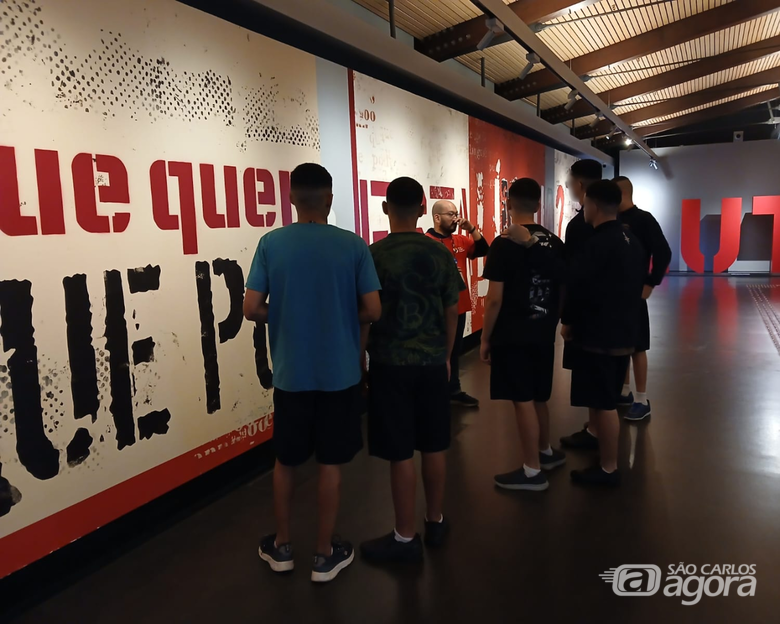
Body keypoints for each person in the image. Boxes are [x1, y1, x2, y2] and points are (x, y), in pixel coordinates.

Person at [244, 163, 381, 583]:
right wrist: (339, 317)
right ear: (330, 198)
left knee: (285, 461)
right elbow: (373, 310)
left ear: (290, 198)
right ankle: (324, 554)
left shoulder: (271, 243)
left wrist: (284, 316)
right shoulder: (353, 246)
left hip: (291, 375)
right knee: (330, 464)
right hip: (339, 374)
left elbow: (251, 308)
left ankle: (282, 546)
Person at [361, 177, 464, 563]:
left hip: (390, 364)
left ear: (386, 208)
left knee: (401, 450)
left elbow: (366, 316)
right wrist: (448, 353)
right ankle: (434, 520)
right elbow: (452, 308)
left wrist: (361, 361)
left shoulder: (374, 255)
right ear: (423, 209)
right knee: (434, 443)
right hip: (433, 362)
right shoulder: (438, 254)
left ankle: (405, 538)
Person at [480, 178, 567, 491]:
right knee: (539, 395)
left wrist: (485, 338)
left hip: (513, 332)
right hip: (543, 331)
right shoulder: (554, 242)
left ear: (508, 203)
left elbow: (493, 299)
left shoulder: (504, 243)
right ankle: (544, 451)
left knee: (522, 399)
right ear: (539, 204)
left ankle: (532, 471)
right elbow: (562, 287)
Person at [560, 180, 646, 486]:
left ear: (593, 205)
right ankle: (599, 447)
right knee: (602, 399)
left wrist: (567, 321)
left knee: (605, 403)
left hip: (599, 335)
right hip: (623, 330)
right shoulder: (630, 239)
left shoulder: (596, 244)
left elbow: (579, 288)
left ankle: (609, 468)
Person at [614, 176, 672, 421]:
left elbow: (663, 251)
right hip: (614, 295)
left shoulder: (643, 220)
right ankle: (625, 392)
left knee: (637, 346)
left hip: (634, 293)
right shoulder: (611, 221)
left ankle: (641, 398)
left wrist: (651, 281)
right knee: (620, 344)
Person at [426, 199, 490, 407]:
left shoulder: (460, 240)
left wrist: (471, 228)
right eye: (450, 214)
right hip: (436, 308)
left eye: (456, 214)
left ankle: (453, 388)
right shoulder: (426, 242)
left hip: (459, 305)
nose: (456, 218)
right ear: (437, 218)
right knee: (438, 350)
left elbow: (482, 249)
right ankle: (436, 392)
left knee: (454, 350)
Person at [559, 159, 605, 450]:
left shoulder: (580, 228)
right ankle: (595, 428)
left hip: (588, 317)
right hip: (607, 315)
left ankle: (599, 436)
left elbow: (574, 277)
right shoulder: (620, 229)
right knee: (598, 376)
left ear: (581, 185)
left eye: (570, 181)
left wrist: (567, 319)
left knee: (592, 376)